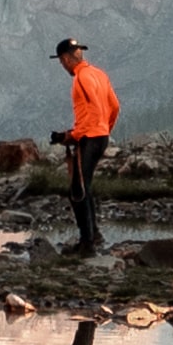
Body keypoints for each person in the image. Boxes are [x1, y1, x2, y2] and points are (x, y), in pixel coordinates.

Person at [52, 37, 118, 256]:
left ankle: (87, 244)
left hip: (89, 137)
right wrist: (105, 128)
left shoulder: (81, 78)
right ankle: (93, 234)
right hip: (101, 136)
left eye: (61, 62)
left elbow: (90, 110)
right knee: (85, 185)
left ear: (65, 59)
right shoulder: (100, 74)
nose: (62, 66)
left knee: (77, 190)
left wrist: (73, 136)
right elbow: (114, 106)